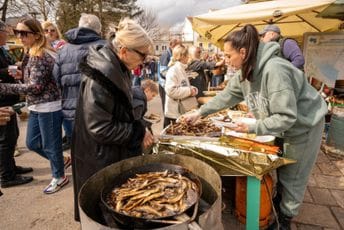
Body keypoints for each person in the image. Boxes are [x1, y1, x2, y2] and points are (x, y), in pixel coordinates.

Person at [183, 24, 327, 230]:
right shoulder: (245, 69)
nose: (225, 60)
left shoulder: (275, 70)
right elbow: (226, 96)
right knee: (281, 170)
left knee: (293, 176)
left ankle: (284, 222)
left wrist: (253, 127)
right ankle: (278, 209)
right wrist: (200, 113)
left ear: (243, 52)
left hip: (305, 125)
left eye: (228, 55)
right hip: (284, 125)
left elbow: (286, 117)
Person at [71, 18, 155, 221]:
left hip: (107, 152)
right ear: (124, 50)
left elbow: (120, 109)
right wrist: (137, 133)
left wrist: (142, 126)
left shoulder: (118, 65)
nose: (145, 60)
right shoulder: (102, 74)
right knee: (104, 212)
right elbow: (100, 127)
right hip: (98, 157)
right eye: (142, 54)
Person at [0, 18, 68, 194]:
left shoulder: (40, 55)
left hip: (48, 107)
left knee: (51, 145)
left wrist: (5, 87)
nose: (19, 36)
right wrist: (21, 74)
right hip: (36, 106)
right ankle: (61, 160)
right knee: (32, 143)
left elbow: (35, 87)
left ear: (37, 35)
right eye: (17, 32)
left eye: (24, 33)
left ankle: (59, 176)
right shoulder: (30, 52)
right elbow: (33, 81)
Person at [53, 13, 105, 152]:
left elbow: (56, 79)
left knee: (78, 151)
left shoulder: (63, 50)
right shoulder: (105, 47)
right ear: (98, 30)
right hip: (99, 110)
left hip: (71, 110)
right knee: (98, 152)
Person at [0, 20, 33, 189]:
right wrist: (7, 71)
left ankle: (11, 167)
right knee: (5, 140)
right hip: (2, 100)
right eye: (5, 31)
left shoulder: (3, 49)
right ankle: (6, 176)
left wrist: (16, 67)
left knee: (12, 136)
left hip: (8, 99)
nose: (7, 33)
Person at [164, 44, 198, 127]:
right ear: (182, 56)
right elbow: (171, 91)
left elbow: (182, 86)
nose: (189, 57)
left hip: (180, 112)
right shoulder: (173, 70)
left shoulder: (181, 69)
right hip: (174, 114)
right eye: (187, 55)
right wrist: (189, 91)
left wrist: (192, 89)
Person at [158, 38, 181, 112]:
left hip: (169, 84)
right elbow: (163, 72)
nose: (180, 48)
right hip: (164, 85)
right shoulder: (166, 54)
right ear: (171, 46)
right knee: (167, 109)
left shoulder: (173, 54)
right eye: (178, 46)